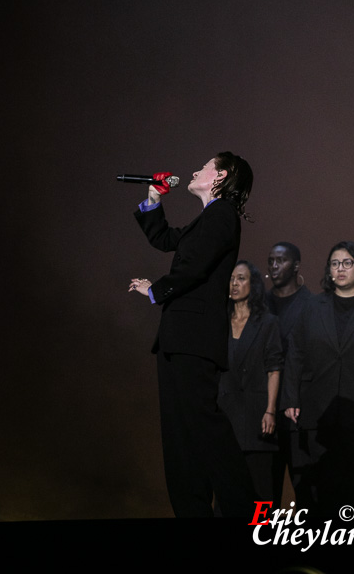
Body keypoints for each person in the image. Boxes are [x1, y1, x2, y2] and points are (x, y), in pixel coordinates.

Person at [129, 152, 255, 517]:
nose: (196, 170)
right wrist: (153, 199)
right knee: (180, 437)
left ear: (221, 176)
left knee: (202, 427)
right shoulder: (209, 218)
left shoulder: (222, 215)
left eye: (205, 166)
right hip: (179, 338)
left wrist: (157, 290)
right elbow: (170, 240)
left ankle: (249, 515)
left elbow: (194, 266)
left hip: (193, 339)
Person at [281, 240, 354, 516]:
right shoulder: (313, 306)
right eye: (334, 263)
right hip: (322, 407)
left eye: (347, 263)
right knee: (327, 480)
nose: (340, 268)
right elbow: (295, 352)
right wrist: (292, 397)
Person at [217, 261, 283, 504]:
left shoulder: (267, 323)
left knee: (261, 492)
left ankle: (262, 537)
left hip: (257, 415)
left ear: (253, 284)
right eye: (232, 278)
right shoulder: (219, 321)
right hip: (225, 414)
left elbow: (274, 369)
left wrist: (270, 410)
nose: (234, 283)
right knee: (225, 488)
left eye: (241, 278)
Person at [265, 242, 312, 505]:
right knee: (264, 490)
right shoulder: (259, 304)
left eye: (280, 260)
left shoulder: (314, 304)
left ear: (295, 266)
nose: (273, 266)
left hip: (299, 411)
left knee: (306, 485)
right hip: (265, 409)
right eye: (270, 260)